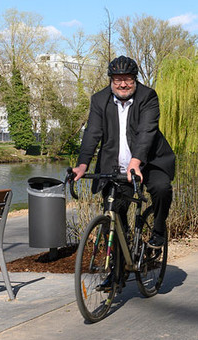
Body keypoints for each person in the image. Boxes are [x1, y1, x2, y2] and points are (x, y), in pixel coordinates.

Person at [71, 56, 175, 249]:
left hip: (150, 162)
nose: (123, 84)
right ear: (111, 80)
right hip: (116, 165)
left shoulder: (148, 97)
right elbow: (92, 133)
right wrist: (82, 165)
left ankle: (159, 229)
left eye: (128, 79)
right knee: (114, 216)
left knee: (162, 189)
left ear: (135, 79)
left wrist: (135, 162)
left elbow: (146, 131)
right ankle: (117, 273)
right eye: (118, 80)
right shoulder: (99, 100)